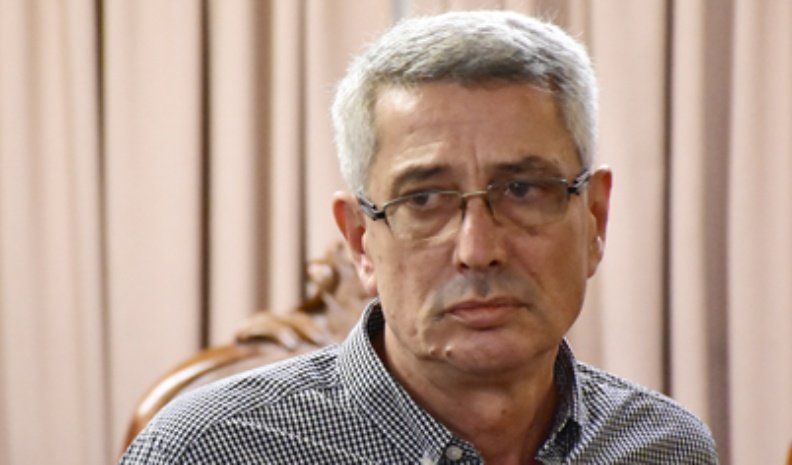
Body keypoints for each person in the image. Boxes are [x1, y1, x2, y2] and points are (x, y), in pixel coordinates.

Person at [120, 10, 718, 465]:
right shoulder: (208, 450)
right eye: (424, 200)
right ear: (360, 241)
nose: (479, 250)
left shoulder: (666, 447)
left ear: (595, 219)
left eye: (522, 190)